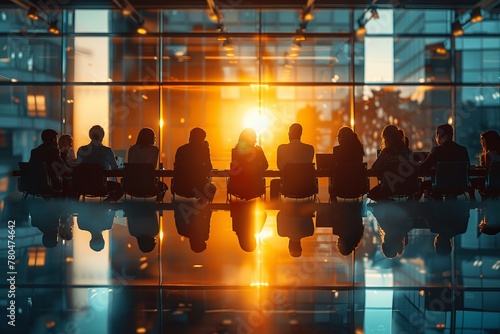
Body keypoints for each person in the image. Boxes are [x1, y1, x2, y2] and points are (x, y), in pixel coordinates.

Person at [418, 124, 470, 199]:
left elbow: (424, 167)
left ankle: (412, 208)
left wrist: (433, 172)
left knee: (422, 185)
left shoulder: (437, 151)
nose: (436, 136)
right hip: (460, 185)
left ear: (444, 136)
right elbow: (468, 169)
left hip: (440, 185)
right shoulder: (462, 150)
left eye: (437, 133)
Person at [368, 125, 416, 201]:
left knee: (371, 194)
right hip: (407, 187)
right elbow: (413, 168)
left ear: (386, 138)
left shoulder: (386, 152)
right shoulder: (408, 152)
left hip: (389, 188)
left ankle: (389, 203)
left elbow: (374, 167)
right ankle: (408, 206)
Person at [76, 125, 122, 202]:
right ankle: (105, 204)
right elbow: (115, 169)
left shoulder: (81, 150)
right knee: (121, 187)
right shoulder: (107, 151)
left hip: (83, 186)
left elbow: (78, 167)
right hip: (101, 186)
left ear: (90, 136)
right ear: (102, 136)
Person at [272, 123, 315, 198]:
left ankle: (274, 207)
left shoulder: (282, 148)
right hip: (306, 188)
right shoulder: (310, 149)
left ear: (289, 134)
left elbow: (280, 167)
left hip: (288, 187)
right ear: (300, 134)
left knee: (274, 183)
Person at [173, 127, 215, 202]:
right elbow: (209, 167)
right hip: (199, 189)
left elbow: (176, 168)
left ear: (190, 137)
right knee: (212, 188)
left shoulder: (181, 150)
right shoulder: (203, 150)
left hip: (180, 188)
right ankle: (205, 210)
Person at [128, 127, 168, 203]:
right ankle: (156, 206)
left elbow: (130, 165)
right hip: (149, 186)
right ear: (152, 138)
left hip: (132, 185)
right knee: (163, 187)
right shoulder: (154, 150)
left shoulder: (132, 149)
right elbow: (153, 166)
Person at [229, 128, 268, 200]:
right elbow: (265, 166)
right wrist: (257, 166)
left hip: (238, 189)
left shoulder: (235, 151)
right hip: (255, 188)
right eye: (254, 138)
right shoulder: (258, 150)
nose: (256, 141)